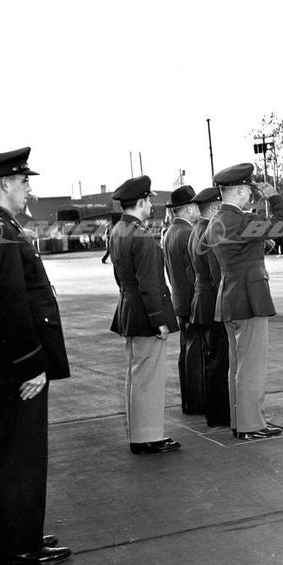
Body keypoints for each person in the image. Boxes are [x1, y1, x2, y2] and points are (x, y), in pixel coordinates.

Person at [0, 147, 71, 565]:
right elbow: (9, 303)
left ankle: (15, 534)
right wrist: (31, 365)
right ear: (5, 183)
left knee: (10, 453)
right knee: (20, 456)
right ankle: (19, 545)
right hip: (15, 363)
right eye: (24, 181)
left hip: (2, 358)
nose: (29, 189)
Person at [203, 164, 283, 440]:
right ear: (240, 191)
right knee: (251, 366)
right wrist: (274, 197)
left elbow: (215, 266)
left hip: (229, 297)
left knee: (238, 365)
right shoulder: (241, 221)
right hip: (250, 299)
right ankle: (251, 424)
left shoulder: (216, 221)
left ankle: (239, 421)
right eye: (249, 190)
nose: (251, 195)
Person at [108, 176, 182, 454]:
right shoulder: (141, 235)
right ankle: (148, 437)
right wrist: (159, 319)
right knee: (148, 379)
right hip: (145, 313)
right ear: (141, 201)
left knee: (137, 377)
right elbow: (149, 283)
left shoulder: (118, 230)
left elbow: (120, 277)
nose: (151, 205)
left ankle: (142, 434)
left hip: (130, 309)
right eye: (149, 200)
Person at [187, 186, 230, 428]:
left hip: (200, 300)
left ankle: (213, 409)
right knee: (219, 360)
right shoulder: (209, 230)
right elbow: (216, 273)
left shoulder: (196, 229)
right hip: (212, 301)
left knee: (210, 358)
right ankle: (219, 413)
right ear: (214, 207)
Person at [161, 185, 203, 415]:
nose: (199, 210)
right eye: (196, 205)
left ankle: (188, 400)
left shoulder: (169, 232)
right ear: (188, 208)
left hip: (179, 299)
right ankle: (197, 401)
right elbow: (193, 272)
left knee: (186, 351)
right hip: (192, 300)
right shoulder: (188, 232)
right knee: (196, 353)